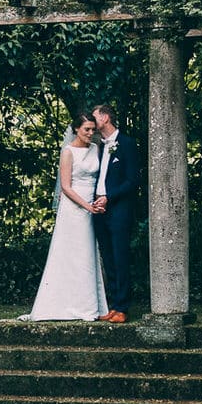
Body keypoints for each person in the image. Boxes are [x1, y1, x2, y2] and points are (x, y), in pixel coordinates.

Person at [20, 112, 109, 321]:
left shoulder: (96, 149)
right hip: (74, 208)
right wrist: (88, 206)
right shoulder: (68, 152)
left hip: (92, 205)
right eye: (86, 129)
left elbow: (100, 178)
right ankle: (66, 305)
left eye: (92, 129)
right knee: (71, 254)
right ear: (76, 129)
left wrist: (99, 200)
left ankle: (89, 305)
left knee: (88, 255)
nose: (90, 133)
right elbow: (66, 187)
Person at [91, 105, 139, 323]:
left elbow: (132, 180)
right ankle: (113, 305)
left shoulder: (127, 144)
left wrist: (109, 196)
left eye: (95, 118)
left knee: (121, 257)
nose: (92, 123)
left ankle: (123, 307)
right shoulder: (98, 147)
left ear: (106, 117)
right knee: (108, 258)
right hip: (98, 209)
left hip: (119, 208)